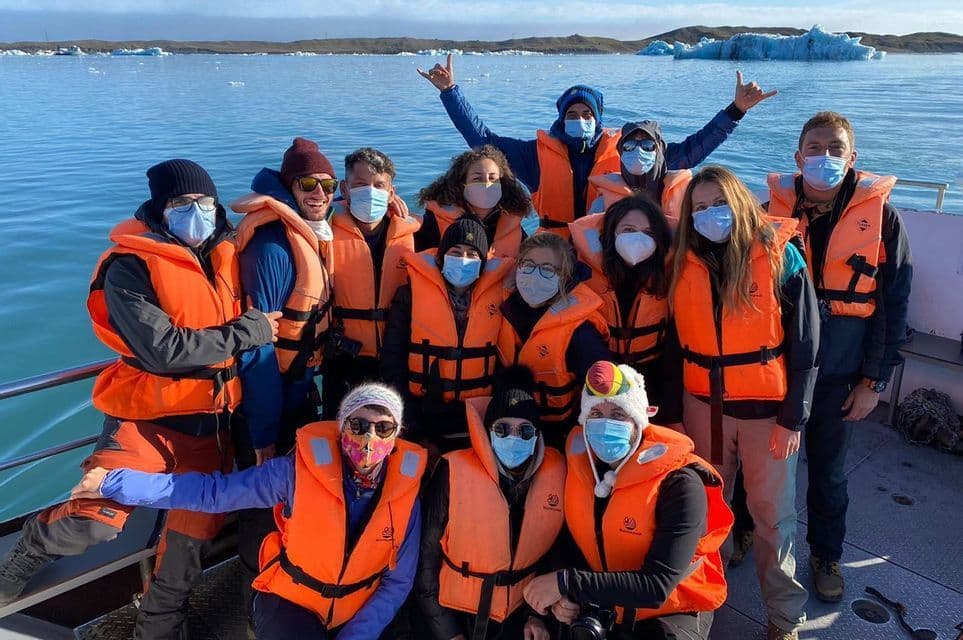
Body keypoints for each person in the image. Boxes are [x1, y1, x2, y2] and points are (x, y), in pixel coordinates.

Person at [0, 160, 281, 639]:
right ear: (158, 210)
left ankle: (157, 625)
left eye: (205, 203)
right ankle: (30, 549)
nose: (196, 212)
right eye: (181, 204)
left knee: (193, 538)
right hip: (143, 420)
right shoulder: (129, 266)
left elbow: (285, 197)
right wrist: (248, 332)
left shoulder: (228, 254)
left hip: (210, 426)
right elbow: (164, 349)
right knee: (98, 517)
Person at [68, 383, 427, 640]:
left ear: (397, 436)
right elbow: (213, 494)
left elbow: (398, 582)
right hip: (290, 602)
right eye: (358, 425)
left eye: (383, 428)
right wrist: (115, 483)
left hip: (358, 606)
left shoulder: (405, 496)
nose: (369, 440)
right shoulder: (292, 474)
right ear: (340, 427)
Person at [766, 111, 912, 603]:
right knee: (764, 467)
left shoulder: (884, 219)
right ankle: (748, 530)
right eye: (815, 147)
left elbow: (893, 304)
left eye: (835, 149)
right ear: (797, 156)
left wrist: (873, 382)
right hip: (779, 370)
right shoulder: (772, 212)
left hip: (842, 374)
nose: (824, 157)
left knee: (828, 472)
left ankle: (825, 555)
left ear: (853, 158)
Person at [669, 165, 819, 640]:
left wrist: (793, 419)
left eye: (719, 203)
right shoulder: (681, 262)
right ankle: (698, 609)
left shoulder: (782, 257)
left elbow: (806, 346)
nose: (710, 213)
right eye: (699, 207)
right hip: (701, 406)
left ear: (739, 201)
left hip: (767, 414)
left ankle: (784, 618)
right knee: (704, 511)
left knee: (774, 518)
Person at [418, 54, 776, 231]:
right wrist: (451, 92)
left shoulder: (628, 149)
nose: (580, 121)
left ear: (598, 119)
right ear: (561, 118)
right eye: (572, 115)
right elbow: (483, 140)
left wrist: (735, 111)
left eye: (587, 115)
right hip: (556, 246)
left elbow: (693, 150)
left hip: (607, 246)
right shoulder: (534, 155)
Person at [523, 361, 732, 640]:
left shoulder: (680, 484)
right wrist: (560, 601)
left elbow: (657, 587)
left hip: (670, 607)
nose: (606, 423)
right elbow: (569, 539)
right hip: (604, 596)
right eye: (595, 413)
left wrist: (566, 583)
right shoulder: (582, 469)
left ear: (639, 420)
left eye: (618, 413)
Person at [230, 137, 336, 612]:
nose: (319, 194)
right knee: (264, 498)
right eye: (308, 184)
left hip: (297, 391)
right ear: (288, 186)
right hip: (271, 403)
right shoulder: (273, 246)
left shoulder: (305, 234)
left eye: (328, 186)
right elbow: (259, 347)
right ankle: (261, 596)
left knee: (290, 497)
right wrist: (263, 431)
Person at [415, 366, 565, 640]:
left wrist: (536, 615)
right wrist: (448, 633)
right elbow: (425, 560)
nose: (513, 437)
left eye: (525, 430)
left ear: (537, 436)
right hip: (455, 615)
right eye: (503, 428)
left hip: (521, 617)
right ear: (488, 432)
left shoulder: (556, 475)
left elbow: (553, 554)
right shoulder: (452, 471)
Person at [382, 218, 512, 454]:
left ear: (483, 263)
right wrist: (412, 423)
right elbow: (393, 359)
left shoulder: (501, 298)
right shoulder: (409, 294)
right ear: (441, 257)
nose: (463, 259)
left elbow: (505, 361)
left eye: (472, 254)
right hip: (422, 413)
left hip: (477, 418)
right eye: (456, 252)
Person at [323, 147, 421, 419]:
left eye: (379, 186)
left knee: (391, 432)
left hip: (396, 356)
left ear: (391, 193)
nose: (370, 192)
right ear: (344, 188)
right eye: (359, 185)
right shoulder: (324, 229)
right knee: (338, 431)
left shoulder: (411, 233)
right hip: (343, 357)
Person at [569, 193, 681, 418]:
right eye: (628, 230)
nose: (637, 239)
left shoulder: (672, 275)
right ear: (611, 234)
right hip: (598, 376)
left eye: (648, 233)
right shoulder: (582, 271)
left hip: (652, 376)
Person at [415, 145, 531, 258]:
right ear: (461, 184)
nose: (487, 184)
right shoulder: (433, 223)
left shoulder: (512, 226)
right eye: (477, 178)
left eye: (492, 178)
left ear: (502, 184)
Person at [587, 120, 694, 225]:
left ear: (659, 150)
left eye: (647, 145)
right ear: (621, 152)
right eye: (629, 146)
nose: (638, 150)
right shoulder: (603, 203)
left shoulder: (685, 196)